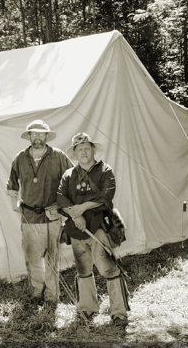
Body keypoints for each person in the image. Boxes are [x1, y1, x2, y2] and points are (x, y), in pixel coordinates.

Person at [57, 132, 129, 327]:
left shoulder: (105, 170)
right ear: (75, 152)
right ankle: (87, 308)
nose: (84, 152)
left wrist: (83, 207)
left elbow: (106, 196)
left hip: (99, 227)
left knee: (107, 267)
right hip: (77, 229)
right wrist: (75, 215)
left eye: (86, 148)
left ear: (92, 149)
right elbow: (61, 198)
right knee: (83, 269)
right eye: (79, 149)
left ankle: (119, 312)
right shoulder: (69, 175)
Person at [6, 119, 73, 308]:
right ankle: (37, 292)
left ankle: (52, 295)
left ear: (46, 136)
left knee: (52, 258)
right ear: (29, 136)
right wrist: (14, 203)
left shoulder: (58, 156)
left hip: (52, 217)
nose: (37, 137)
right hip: (29, 217)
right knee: (33, 258)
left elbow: (71, 180)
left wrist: (61, 205)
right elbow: (12, 182)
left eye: (40, 133)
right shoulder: (20, 158)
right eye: (33, 134)